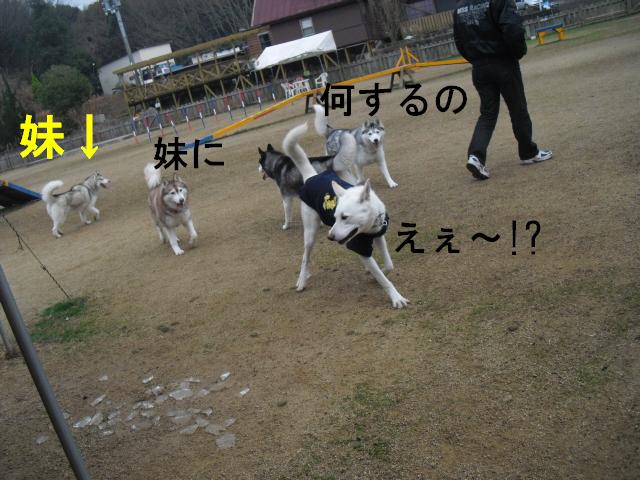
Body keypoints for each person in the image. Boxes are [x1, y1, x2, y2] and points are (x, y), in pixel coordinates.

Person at [453, 0, 552, 180]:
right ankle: (528, 152)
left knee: (487, 114)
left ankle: (475, 156)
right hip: (503, 62)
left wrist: (475, 59)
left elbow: (459, 40)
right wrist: (517, 52)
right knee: (518, 109)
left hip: (479, 67)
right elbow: (512, 28)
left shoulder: (460, 7)